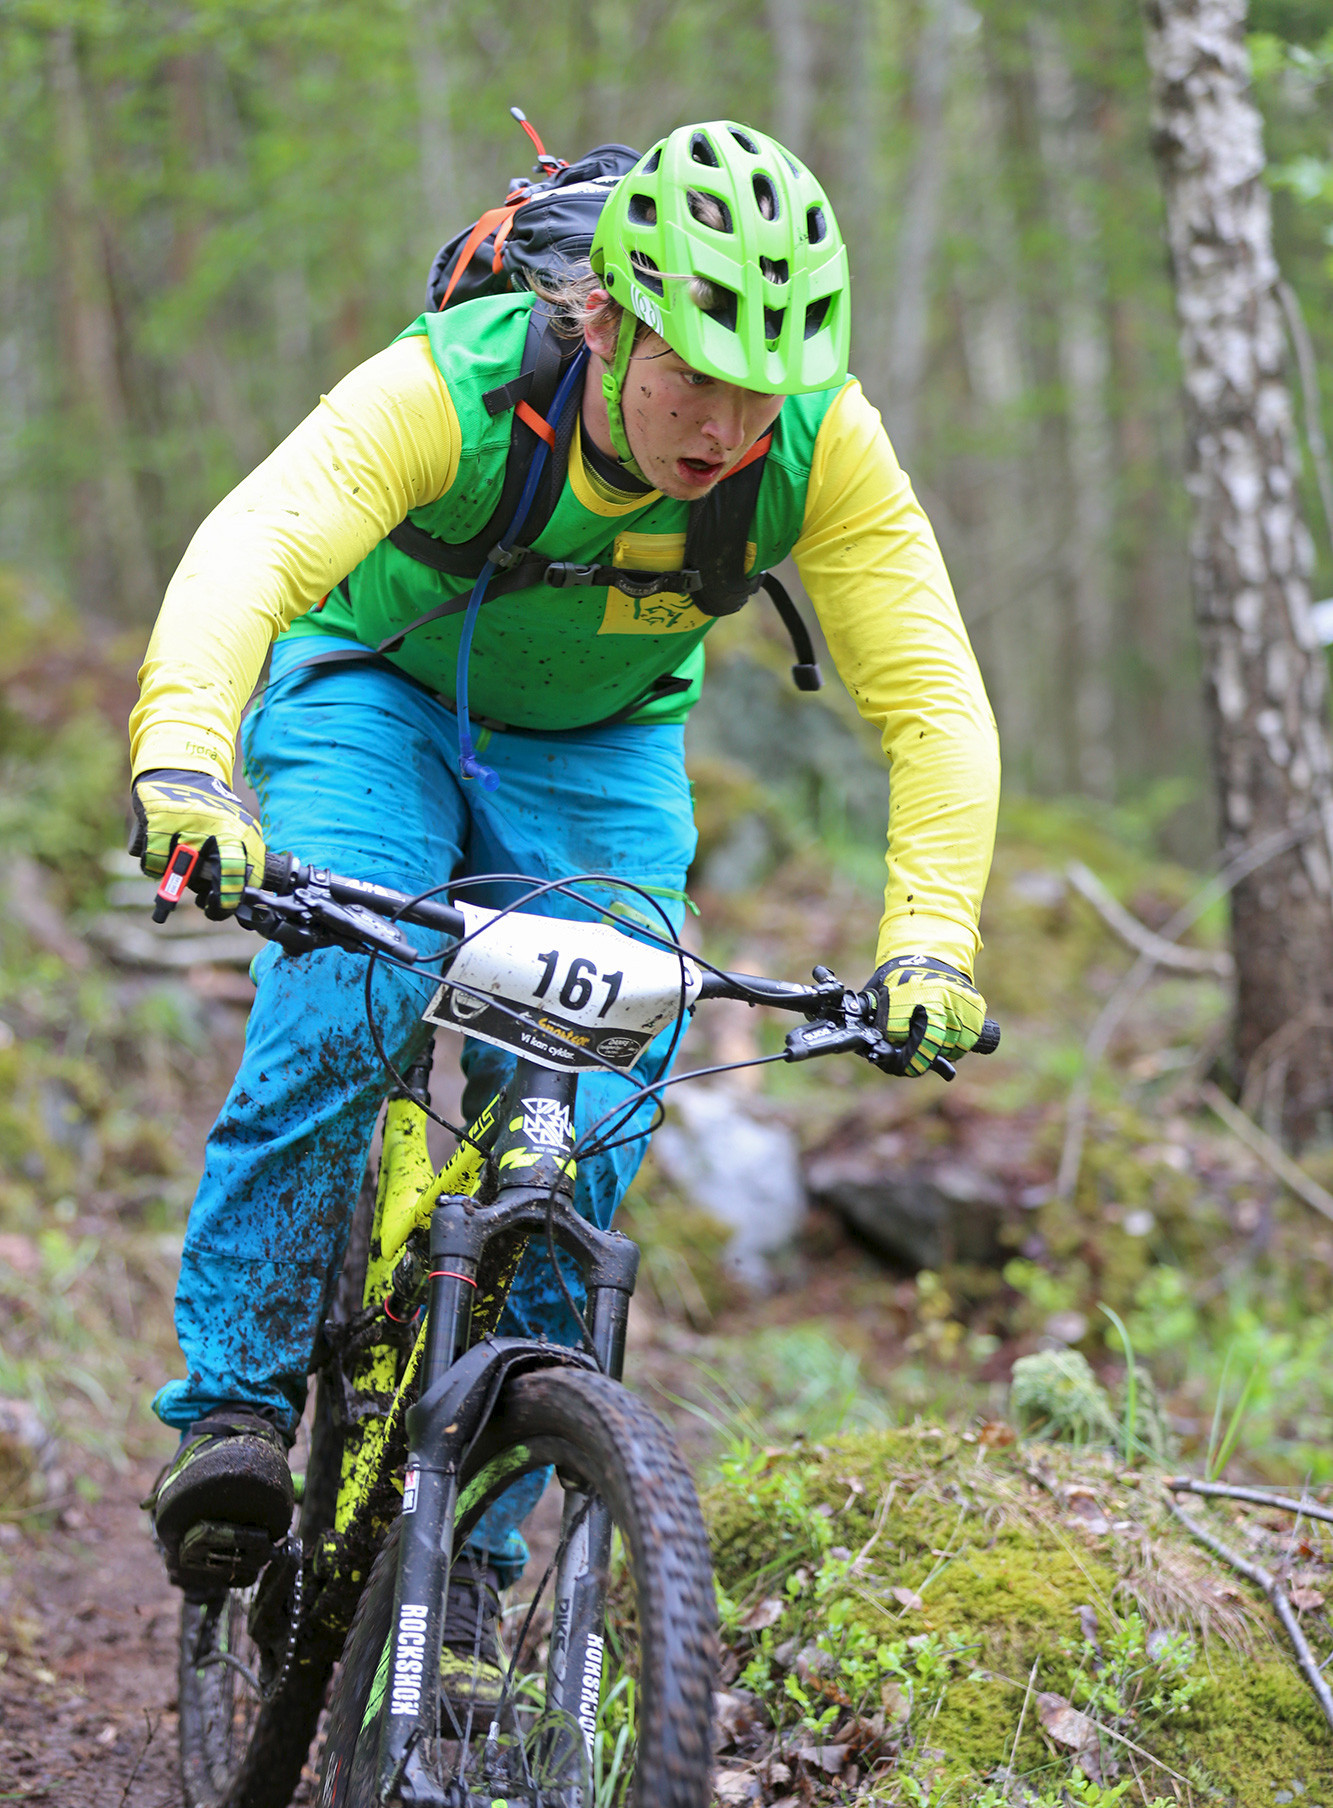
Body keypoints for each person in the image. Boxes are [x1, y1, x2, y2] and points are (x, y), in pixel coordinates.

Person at [130, 121, 1000, 1691]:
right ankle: (237, 1412)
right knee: (349, 1000)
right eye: (693, 377)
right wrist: (189, 770)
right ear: (605, 320)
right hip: (372, 695)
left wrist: (927, 941)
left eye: (763, 391)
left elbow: (932, 701)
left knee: (591, 1116)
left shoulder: (820, 446)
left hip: (598, 751)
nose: (725, 428)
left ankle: (466, 1560)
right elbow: (253, 550)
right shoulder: (455, 389)